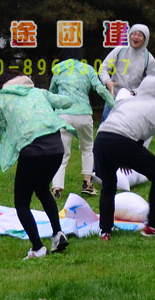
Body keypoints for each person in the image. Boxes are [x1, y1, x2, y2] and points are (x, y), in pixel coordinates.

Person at [0, 72, 74, 260]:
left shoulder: (0, 98)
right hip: (57, 148)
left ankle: (38, 248)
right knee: (42, 189)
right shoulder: (38, 92)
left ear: (3, 85)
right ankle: (58, 233)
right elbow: (66, 102)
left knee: (22, 203)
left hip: (32, 151)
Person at [93, 75, 155, 240]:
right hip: (122, 141)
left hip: (101, 139)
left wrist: (126, 156)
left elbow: (116, 122)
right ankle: (153, 225)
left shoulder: (126, 101)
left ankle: (104, 230)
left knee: (109, 186)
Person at [49, 47, 114, 198]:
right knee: (87, 148)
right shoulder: (87, 69)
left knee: (62, 153)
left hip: (63, 115)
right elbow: (99, 88)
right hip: (83, 114)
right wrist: (114, 104)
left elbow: (51, 93)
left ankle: (57, 188)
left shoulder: (58, 70)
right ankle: (87, 184)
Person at [98, 24, 154, 118]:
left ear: (145, 39)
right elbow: (103, 68)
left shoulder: (149, 59)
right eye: (134, 34)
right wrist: (108, 82)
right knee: (107, 125)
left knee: (129, 128)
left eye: (140, 35)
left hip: (134, 100)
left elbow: (150, 84)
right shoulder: (120, 50)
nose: (136, 37)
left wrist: (134, 92)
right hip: (113, 96)